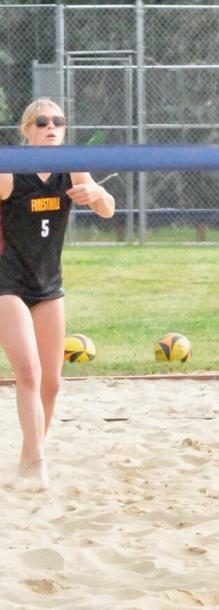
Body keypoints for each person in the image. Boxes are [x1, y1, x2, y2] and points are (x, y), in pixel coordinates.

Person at [1, 98, 116, 489]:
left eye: (58, 121)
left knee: (52, 383)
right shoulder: (11, 172)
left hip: (48, 285)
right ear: (27, 130)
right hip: (7, 284)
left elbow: (108, 211)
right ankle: (37, 463)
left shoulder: (72, 169)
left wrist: (96, 194)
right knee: (28, 372)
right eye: (42, 121)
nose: (51, 126)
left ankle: (25, 462)